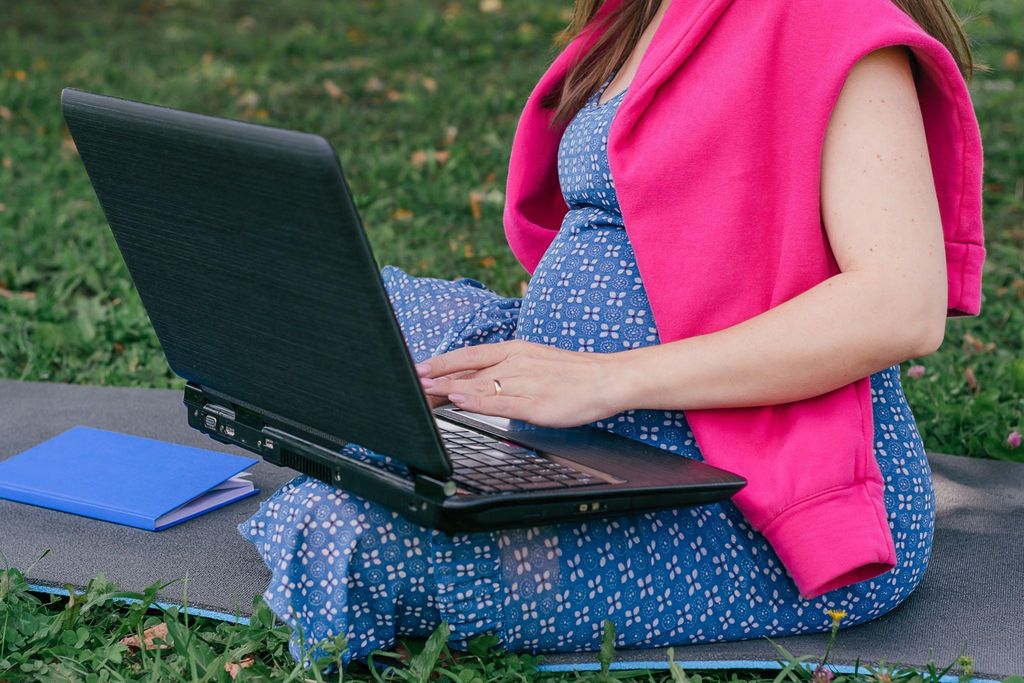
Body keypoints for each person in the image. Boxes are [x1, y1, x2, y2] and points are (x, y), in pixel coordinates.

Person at [240, 0, 984, 664]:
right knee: (365, 314)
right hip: (595, 437)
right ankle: (469, 444)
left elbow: (899, 306)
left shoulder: (833, 17)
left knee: (338, 532)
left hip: (733, 488)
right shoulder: (641, 13)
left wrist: (604, 378)